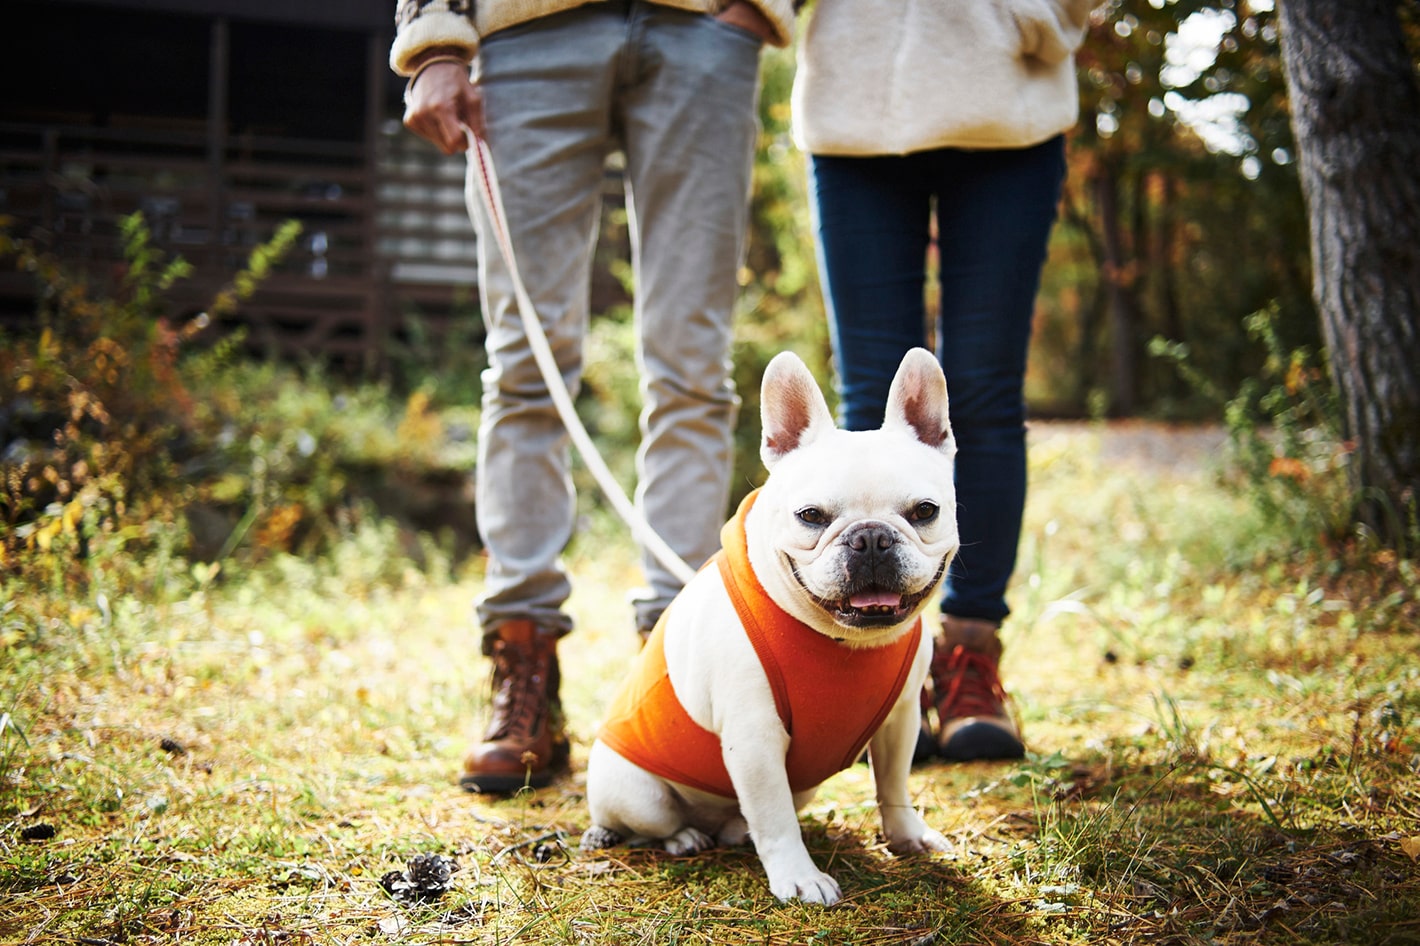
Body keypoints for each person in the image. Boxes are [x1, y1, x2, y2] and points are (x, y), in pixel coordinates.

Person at [392, 0, 796, 793]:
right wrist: (433, 33)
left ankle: (679, 683)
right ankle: (524, 668)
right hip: (524, 28)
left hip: (706, 29)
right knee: (525, 367)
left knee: (693, 368)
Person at [792, 0, 1091, 761]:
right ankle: (886, 675)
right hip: (853, 105)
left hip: (1006, 104)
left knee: (983, 396)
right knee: (868, 399)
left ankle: (970, 659)